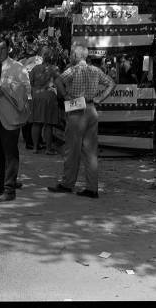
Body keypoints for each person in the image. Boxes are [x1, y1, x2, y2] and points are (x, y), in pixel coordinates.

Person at [48, 44, 116, 199]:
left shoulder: (73, 70)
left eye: (72, 54)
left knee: (72, 149)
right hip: (91, 109)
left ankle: (67, 184)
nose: (71, 56)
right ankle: (92, 188)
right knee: (91, 151)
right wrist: (99, 98)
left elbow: (58, 80)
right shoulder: (95, 70)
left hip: (76, 108)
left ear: (77, 56)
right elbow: (111, 83)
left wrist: (65, 94)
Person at [0, 35, 30, 202]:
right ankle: (0, 186)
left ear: (9, 49)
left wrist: (5, 89)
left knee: (10, 152)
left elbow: (26, 91)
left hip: (10, 115)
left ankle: (9, 189)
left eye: (3, 48)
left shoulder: (18, 68)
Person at [29, 47, 60, 155]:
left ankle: (35, 148)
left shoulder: (35, 68)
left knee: (36, 123)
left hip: (37, 96)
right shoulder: (55, 69)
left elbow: (30, 82)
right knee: (48, 124)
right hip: (49, 97)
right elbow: (59, 83)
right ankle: (48, 148)